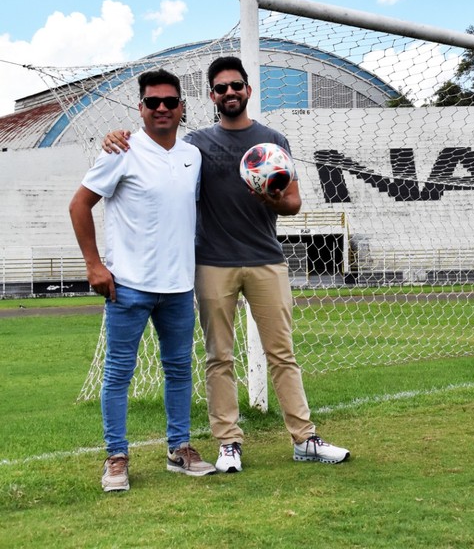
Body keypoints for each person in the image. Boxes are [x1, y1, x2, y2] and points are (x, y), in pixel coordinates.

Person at [104, 56, 349, 473]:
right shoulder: (196, 145)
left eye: (236, 86)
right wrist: (117, 137)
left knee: (282, 353)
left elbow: (292, 202)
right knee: (219, 355)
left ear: (248, 90)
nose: (229, 93)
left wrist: (267, 194)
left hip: (266, 260)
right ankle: (228, 443)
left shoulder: (273, 141)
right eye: (220, 89)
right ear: (211, 97)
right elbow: (159, 152)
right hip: (212, 263)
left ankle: (305, 438)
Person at [70, 69, 216, 492]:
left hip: (178, 287)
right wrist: (94, 265)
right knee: (118, 373)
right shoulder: (121, 150)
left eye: (170, 101)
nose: (163, 108)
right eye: (153, 102)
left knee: (178, 370)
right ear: (141, 108)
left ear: (182, 108)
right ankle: (116, 458)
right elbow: (79, 205)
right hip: (128, 285)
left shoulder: (192, 156)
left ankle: (179, 449)